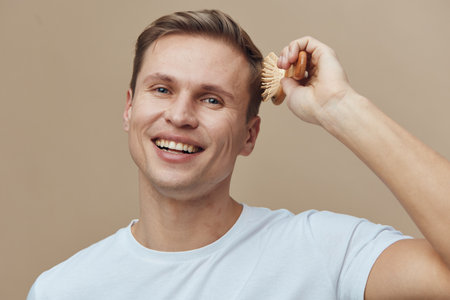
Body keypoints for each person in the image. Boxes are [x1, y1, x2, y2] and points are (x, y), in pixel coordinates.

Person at [27, 9, 450, 299]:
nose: (179, 115)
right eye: (162, 89)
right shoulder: (62, 289)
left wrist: (340, 107)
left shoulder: (324, 252)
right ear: (129, 108)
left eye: (211, 100)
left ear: (250, 135)